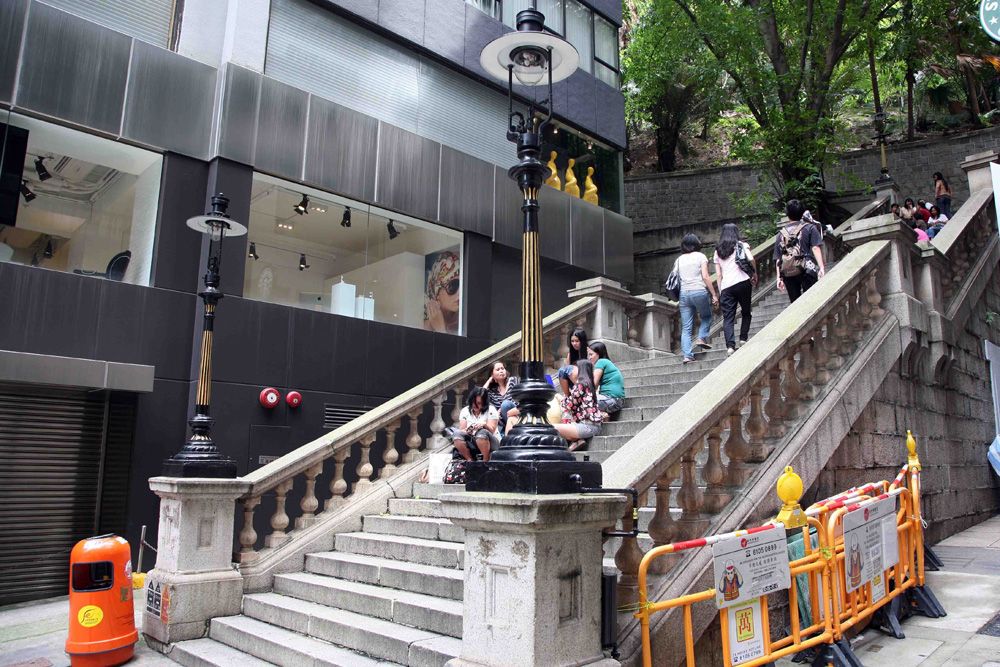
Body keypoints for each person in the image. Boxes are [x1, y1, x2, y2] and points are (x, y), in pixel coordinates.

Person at [714, 223, 756, 355]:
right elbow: (751, 259)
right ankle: (743, 338)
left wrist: (721, 291)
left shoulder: (718, 251)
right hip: (743, 282)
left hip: (727, 286)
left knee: (728, 318)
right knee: (746, 311)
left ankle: (730, 346)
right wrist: (754, 274)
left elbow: (718, 275)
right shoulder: (741, 245)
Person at [676, 233, 718, 363]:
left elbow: (675, 276)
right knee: (707, 316)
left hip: (684, 293)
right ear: (697, 244)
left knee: (686, 327)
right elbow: (705, 276)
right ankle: (701, 338)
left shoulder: (679, 259)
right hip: (698, 291)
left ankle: (687, 355)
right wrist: (714, 294)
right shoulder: (700, 256)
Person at [774, 199, 826, 304]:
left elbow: (778, 258)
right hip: (807, 268)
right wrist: (821, 268)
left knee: (795, 304)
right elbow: (815, 248)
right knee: (812, 300)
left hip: (788, 271)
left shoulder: (781, 234)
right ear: (802, 213)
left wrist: (779, 278)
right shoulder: (810, 228)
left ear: (787, 214)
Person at [554, 359, 603, 451]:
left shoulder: (581, 384)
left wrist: (559, 397)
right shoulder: (588, 383)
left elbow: (569, 405)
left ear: (581, 369)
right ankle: (577, 440)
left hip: (586, 426)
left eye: (574, 368)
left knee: (551, 427)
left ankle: (575, 441)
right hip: (593, 426)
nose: (571, 371)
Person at [447, 387, 500, 462]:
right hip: (473, 440)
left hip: (491, 441)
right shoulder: (465, 411)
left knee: (482, 432)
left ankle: (485, 460)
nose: (475, 405)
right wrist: (468, 431)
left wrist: (484, 425)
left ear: (484, 403)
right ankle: (469, 460)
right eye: (473, 403)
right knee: (456, 434)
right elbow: (462, 430)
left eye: (479, 403)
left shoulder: (491, 410)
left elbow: (492, 430)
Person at [586, 341, 626, 418]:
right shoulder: (606, 363)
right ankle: (601, 413)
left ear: (599, 354)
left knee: (582, 400)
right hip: (617, 401)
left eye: (591, 354)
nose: (589, 358)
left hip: (612, 400)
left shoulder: (601, 362)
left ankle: (599, 414)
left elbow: (593, 383)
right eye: (589, 355)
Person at [424, 251, 460, 334]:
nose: (459, 292)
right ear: (437, 291)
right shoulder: (427, 326)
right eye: (452, 287)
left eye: (462, 285)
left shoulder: (463, 320)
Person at [484, 360, 518, 433]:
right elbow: (480, 395)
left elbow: (516, 401)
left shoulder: (513, 381)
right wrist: (489, 381)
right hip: (503, 422)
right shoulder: (492, 391)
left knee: (505, 405)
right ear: (492, 374)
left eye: (502, 368)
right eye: (498, 370)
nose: (501, 371)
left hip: (517, 414)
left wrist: (501, 409)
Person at [557, 328, 588, 396]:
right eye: (572, 341)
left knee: (570, 368)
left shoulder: (589, 352)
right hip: (574, 382)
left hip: (586, 382)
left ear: (582, 341)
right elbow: (566, 370)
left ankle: (583, 391)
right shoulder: (571, 354)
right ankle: (568, 396)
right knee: (562, 371)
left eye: (577, 341)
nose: (574, 343)